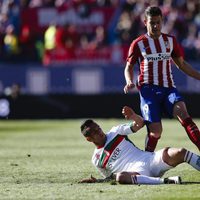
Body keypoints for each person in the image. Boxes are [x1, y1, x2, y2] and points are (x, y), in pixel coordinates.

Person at [123, 6, 200, 152]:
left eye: (158, 22)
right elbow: (128, 67)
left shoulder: (170, 41)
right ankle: (146, 162)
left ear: (162, 21)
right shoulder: (138, 43)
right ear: (145, 22)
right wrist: (129, 81)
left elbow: (181, 64)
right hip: (148, 91)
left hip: (168, 88)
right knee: (156, 132)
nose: (156, 26)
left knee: (184, 115)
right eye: (152, 23)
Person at [79, 106, 200, 185]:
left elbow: (139, 124)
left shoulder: (116, 132)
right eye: (94, 132)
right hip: (135, 174)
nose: (99, 132)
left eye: (98, 128)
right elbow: (110, 178)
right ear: (89, 139)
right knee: (120, 177)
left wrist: (133, 116)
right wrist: (97, 181)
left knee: (181, 152)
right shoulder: (96, 160)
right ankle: (167, 181)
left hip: (149, 160)